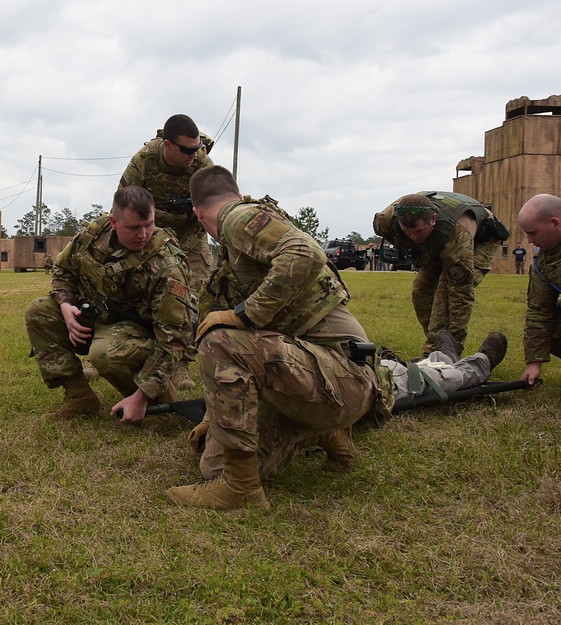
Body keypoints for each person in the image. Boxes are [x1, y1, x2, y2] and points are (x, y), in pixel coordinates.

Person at [165, 165, 384, 512]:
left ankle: (241, 491)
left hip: (344, 378)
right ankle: (323, 432)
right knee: (214, 466)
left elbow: (303, 253)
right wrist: (214, 416)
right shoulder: (233, 254)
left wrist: (243, 315)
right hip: (323, 381)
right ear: (235, 192)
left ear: (197, 212)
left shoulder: (236, 218)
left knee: (218, 338)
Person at [192, 329, 508, 481]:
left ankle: (477, 363)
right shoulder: (237, 332)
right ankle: (441, 356)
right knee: (215, 468)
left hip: (350, 383)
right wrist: (212, 417)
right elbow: (231, 373)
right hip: (295, 396)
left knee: (422, 379)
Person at [25, 186, 194, 422]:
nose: (144, 234)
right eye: (134, 227)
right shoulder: (94, 235)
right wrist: (66, 306)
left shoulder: (167, 265)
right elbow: (63, 271)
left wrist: (143, 395)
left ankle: (156, 398)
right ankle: (79, 397)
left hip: (144, 336)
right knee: (39, 311)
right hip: (100, 316)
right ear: (114, 222)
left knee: (103, 352)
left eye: (149, 224)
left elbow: (174, 337)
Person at [119, 114, 214, 390]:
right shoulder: (143, 162)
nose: (193, 156)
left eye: (196, 149)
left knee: (195, 298)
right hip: (152, 235)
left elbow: (214, 206)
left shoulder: (202, 164)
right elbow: (124, 206)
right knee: (136, 292)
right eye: (187, 150)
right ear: (167, 146)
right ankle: (125, 350)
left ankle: (181, 365)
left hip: (191, 235)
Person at [373, 191, 508, 357]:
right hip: (436, 244)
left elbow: (460, 294)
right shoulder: (386, 220)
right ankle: (438, 344)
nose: (414, 237)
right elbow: (405, 239)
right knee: (421, 292)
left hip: (482, 238)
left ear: (433, 219)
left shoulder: (456, 232)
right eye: (408, 232)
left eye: (418, 231)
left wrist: (455, 345)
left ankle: (445, 353)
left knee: (444, 293)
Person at [517, 193, 561, 385]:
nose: (529, 240)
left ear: (555, 223)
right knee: (554, 325)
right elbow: (539, 311)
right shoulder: (543, 261)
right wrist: (534, 363)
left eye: (533, 233)